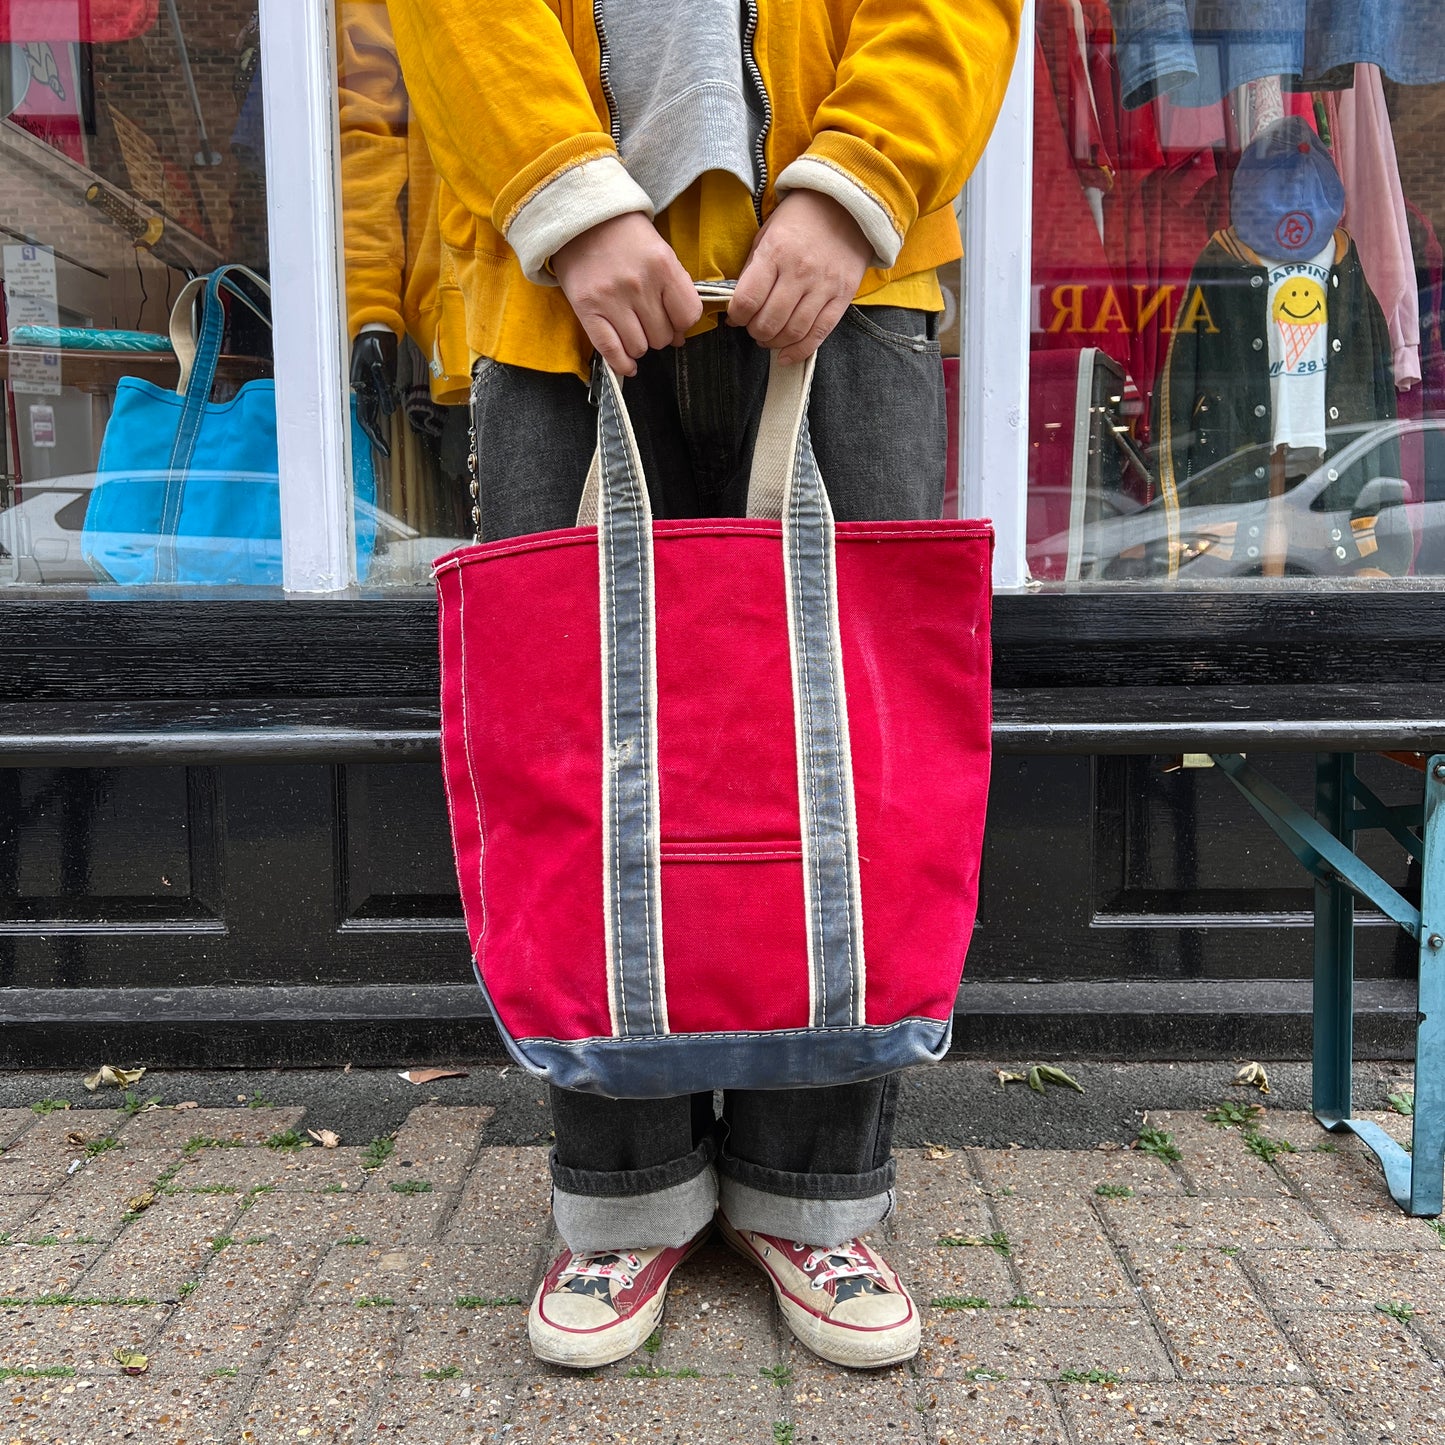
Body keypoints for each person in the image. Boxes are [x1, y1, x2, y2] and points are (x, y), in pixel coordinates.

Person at [386, 0, 1021, 1370]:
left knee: (847, 753)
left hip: (849, 275)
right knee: (576, 749)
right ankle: (621, 1193)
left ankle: (816, 1191)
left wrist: (858, 182)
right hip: (559, 286)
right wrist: (562, 194)